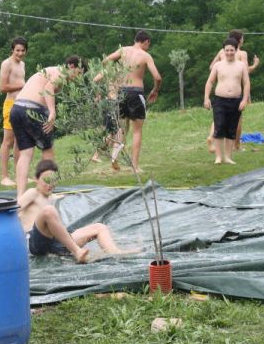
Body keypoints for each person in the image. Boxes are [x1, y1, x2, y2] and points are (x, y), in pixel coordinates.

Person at [18, 159, 133, 263]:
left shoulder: (52, 197)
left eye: (53, 180)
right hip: (35, 242)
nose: (50, 184)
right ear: (36, 179)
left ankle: (114, 253)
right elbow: (13, 209)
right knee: (48, 211)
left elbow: (57, 197)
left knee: (99, 227)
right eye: (46, 180)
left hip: (54, 243)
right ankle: (77, 252)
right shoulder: (32, 193)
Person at [11, 55, 86, 200]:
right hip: (33, 109)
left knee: (25, 154)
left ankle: (20, 195)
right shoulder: (60, 71)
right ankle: (49, 193)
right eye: (79, 73)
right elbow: (48, 88)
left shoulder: (50, 71)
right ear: (71, 66)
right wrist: (52, 111)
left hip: (17, 109)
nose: (78, 78)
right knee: (48, 151)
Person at [102, 30, 163, 172]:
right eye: (148, 44)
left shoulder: (123, 50)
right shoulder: (145, 55)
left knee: (122, 128)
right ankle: (135, 166)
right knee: (137, 131)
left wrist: (115, 74)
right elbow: (158, 77)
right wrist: (155, 90)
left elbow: (105, 61)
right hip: (136, 93)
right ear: (146, 41)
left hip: (121, 92)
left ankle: (114, 158)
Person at [207, 29, 260, 152]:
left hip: (221, 89)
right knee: (237, 119)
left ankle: (211, 136)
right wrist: (255, 65)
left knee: (218, 117)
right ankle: (236, 146)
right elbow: (245, 71)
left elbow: (211, 67)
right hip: (235, 91)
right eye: (243, 37)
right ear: (239, 40)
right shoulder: (242, 53)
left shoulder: (222, 51)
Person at [203, 38, 250, 164]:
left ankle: (228, 157)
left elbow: (246, 83)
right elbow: (210, 82)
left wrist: (244, 100)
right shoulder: (218, 65)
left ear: (236, 50)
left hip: (236, 101)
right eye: (227, 50)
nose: (229, 52)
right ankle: (218, 157)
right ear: (223, 51)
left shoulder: (241, 66)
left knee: (231, 129)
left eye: (232, 50)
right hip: (220, 100)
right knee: (219, 127)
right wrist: (206, 98)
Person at [0, 37, 27, 187]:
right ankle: (4, 177)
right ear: (12, 50)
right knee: (8, 141)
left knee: (19, 141)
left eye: (23, 50)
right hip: (10, 105)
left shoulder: (22, 64)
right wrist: (21, 85)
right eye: (17, 50)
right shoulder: (6, 63)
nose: (20, 53)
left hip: (22, 105)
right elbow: (2, 87)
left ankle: (19, 175)